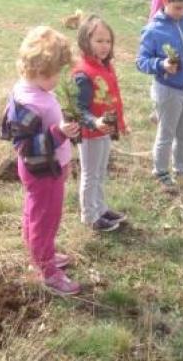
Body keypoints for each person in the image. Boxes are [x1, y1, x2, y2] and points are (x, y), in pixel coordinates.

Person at [2, 26, 81, 295]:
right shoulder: (30, 103)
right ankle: (46, 269)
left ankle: (39, 253)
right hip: (43, 171)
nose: (58, 79)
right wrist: (59, 133)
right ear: (39, 72)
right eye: (56, 73)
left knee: (36, 213)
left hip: (51, 167)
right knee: (45, 218)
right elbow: (26, 146)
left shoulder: (32, 90)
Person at [137, 0, 183, 191]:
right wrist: (162, 64)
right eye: (178, 7)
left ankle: (181, 168)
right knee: (166, 132)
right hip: (168, 91)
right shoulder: (153, 30)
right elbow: (141, 62)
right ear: (165, 0)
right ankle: (160, 170)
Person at [73, 15, 128, 232]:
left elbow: (113, 98)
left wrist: (121, 123)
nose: (105, 46)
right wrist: (94, 122)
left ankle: (100, 208)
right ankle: (90, 216)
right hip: (90, 134)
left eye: (108, 41)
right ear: (86, 42)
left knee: (100, 171)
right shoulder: (83, 73)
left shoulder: (106, 67)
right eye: (99, 41)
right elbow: (79, 109)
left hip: (105, 130)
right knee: (90, 174)